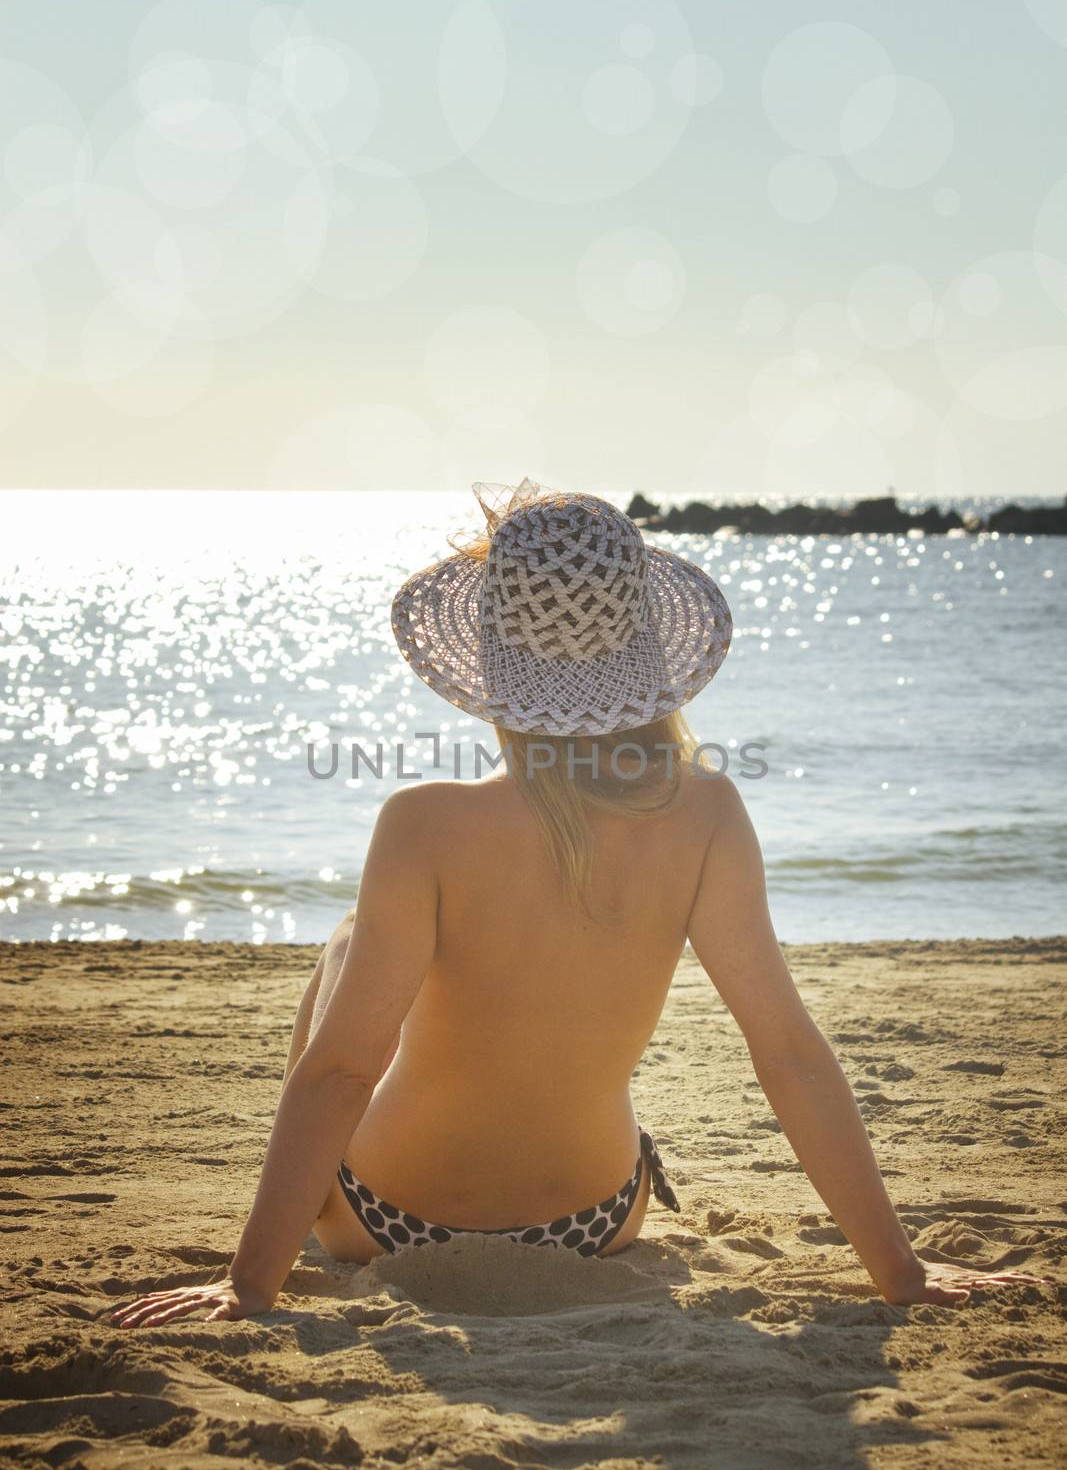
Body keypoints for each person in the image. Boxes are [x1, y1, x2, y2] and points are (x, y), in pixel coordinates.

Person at [111, 482, 1043, 1328]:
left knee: (350, 943)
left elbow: (339, 1073)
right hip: (593, 1224)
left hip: (381, 1222)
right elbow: (787, 1053)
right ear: (643, 648)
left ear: (488, 652)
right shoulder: (706, 810)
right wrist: (900, 1272)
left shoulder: (422, 823)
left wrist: (247, 1287)